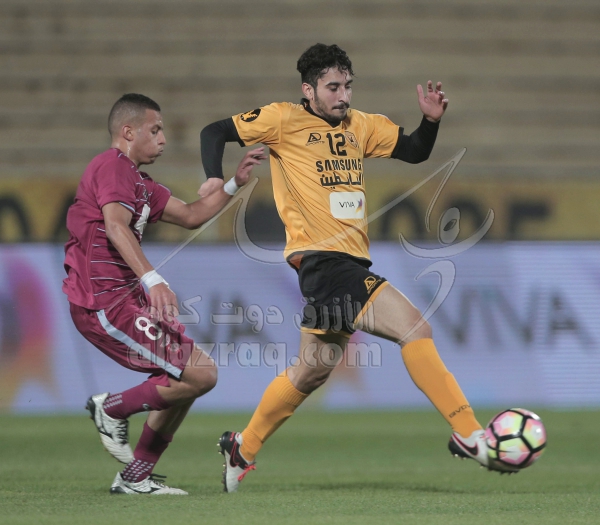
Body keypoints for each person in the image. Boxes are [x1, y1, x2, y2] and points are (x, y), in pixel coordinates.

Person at [200, 43, 516, 493]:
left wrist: (430, 121)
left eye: (347, 86)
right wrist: (214, 176)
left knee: (312, 370)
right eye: (333, 87)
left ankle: (242, 447)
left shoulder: (360, 126)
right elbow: (214, 131)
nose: (343, 95)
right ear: (308, 90)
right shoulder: (282, 119)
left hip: (343, 262)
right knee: (415, 328)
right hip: (323, 260)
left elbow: (414, 151)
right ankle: (469, 432)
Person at [63, 93, 265, 495]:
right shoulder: (112, 166)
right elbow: (116, 227)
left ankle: (135, 477)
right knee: (199, 374)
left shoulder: (138, 182)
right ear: (128, 132)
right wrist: (153, 279)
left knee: (190, 374)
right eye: (154, 130)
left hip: (122, 299)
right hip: (102, 299)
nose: (163, 139)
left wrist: (233, 183)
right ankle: (110, 409)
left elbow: (191, 214)